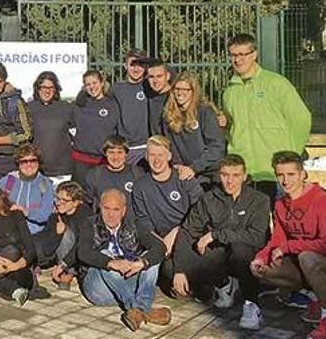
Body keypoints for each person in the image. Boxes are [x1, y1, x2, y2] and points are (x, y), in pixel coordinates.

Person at [251, 151, 326, 339]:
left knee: (308, 257)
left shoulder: (323, 201)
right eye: (280, 175)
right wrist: (261, 257)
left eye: (291, 174)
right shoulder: (280, 204)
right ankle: (316, 299)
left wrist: (288, 247)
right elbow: (277, 239)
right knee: (263, 269)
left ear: (303, 174)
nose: (285, 180)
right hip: (311, 267)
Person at [171, 154, 270, 330]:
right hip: (219, 254)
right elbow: (187, 231)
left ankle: (251, 304)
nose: (230, 181)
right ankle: (225, 283)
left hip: (249, 255)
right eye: (225, 175)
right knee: (171, 268)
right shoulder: (209, 199)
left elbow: (257, 236)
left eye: (236, 175)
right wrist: (179, 270)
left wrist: (216, 235)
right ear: (219, 175)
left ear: (244, 176)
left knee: (241, 250)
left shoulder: (259, 199)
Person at [222, 33, 311, 206]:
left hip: (275, 171)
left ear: (254, 54)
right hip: (246, 172)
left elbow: (301, 119)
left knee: (283, 222)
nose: (238, 60)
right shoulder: (229, 92)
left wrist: (292, 154)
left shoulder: (276, 83)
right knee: (251, 227)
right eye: (233, 55)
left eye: (242, 54)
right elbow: (231, 125)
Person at [76, 188, 170, 331]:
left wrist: (141, 263)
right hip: (99, 288)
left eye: (116, 209)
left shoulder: (134, 225)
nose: (111, 214)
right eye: (106, 208)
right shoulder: (89, 224)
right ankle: (139, 309)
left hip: (126, 283)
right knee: (106, 256)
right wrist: (112, 262)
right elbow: (83, 252)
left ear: (124, 210)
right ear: (100, 207)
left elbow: (160, 247)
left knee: (150, 259)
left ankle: (138, 310)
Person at [131, 135, 203, 286]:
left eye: (161, 155)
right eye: (152, 155)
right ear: (146, 156)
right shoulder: (140, 186)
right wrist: (157, 243)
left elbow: (201, 212)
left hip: (189, 235)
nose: (156, 160)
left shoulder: (184, 178)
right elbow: (142, 220)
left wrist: (178, 232)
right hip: (162, 240)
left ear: (169, 156)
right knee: (168, 272)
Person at [161, 71, 226, 189]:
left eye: (186, 89)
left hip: (210, 172)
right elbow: (170, 146)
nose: (180, 93)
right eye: (177, 89)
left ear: (193, 92)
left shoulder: (205, 112)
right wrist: (178, 166)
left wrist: (195, 167)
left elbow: (216, 147)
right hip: (185, 172)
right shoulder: (169, 115)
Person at [33, 181, 93, 290]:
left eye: (64, 200)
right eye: (57, 199)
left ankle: (68, 273)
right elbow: (46, 241)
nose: (59, 203)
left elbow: (81, 245)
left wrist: (62, 266)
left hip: (79, 258)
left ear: (76, 202)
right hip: (58, 254)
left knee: (67, 233)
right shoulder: (57, 215)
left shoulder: (85, 217)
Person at [71, 70, 120, 186]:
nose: (92, 87)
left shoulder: (112, 104)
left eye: (95, 83)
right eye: (88, 84)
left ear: (102, 82)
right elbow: (71, 126)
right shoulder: (79, 104)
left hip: (103, 161)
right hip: (81, 161)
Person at [0, 144, 54, 236]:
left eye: (33, 160)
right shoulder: (9, 181)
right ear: (18, 164)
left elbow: (46, 214)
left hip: (35, 232)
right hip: (10, 231)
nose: (29, 165)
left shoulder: (44, 183)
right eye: (24, 161)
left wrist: (26, 211)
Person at [27, 71, 75, 180]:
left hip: (63, 170)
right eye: (43, 87)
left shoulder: (66, 108)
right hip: (37, 169)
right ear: (37, 88)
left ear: (56, 89)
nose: (47, 91)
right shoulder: (28, 108)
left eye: (51, 87)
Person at [82, 135, 142, 219]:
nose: (116, 157)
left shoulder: (137, 173)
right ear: (105, 154)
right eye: (111, 152)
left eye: (120, 152)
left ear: (126, 154)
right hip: (103, 226)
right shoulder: (94, 175)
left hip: (132, 226)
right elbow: (85, 203)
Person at [109, 50, 150, 165]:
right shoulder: (116, 89)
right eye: (132, 64)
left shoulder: (151, 87)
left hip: (145, 147)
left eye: (140, 65)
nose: (136, 69)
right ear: (125, 66)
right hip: (124, 148)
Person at [145, 59, 173, 136]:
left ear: (167, 76)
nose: (155, 81)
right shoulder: (148, 95)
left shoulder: (175, 97)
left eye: (159, 76)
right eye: (151, 77)